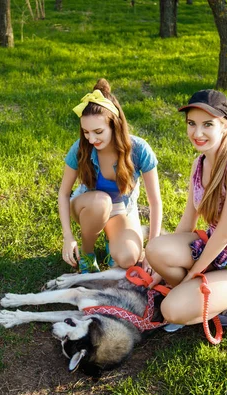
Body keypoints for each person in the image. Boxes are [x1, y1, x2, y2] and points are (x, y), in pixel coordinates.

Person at [145, 89, 227, 331]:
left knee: (171, 309)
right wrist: (158, 272)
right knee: (155, 249)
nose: (197, 133)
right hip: (215, 251)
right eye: (191, 124)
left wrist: (191, 275)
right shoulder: (199, 163)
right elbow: (188, 221)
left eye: (208, 124)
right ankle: (193, 295)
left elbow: (225, 234)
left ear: (224, 127)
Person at [58, 78, 162, 273]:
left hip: (122, 209)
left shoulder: (140, 150)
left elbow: (155, 202)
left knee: (128, 258)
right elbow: (63, 193)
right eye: (86, 132)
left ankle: (110, 236)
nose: (91, 139)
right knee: (101, 202)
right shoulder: (81, 149)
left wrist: (151, 249)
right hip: (88, 206)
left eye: (98, 131)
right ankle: (88, 254)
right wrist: (68, 236)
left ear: (115, 125)